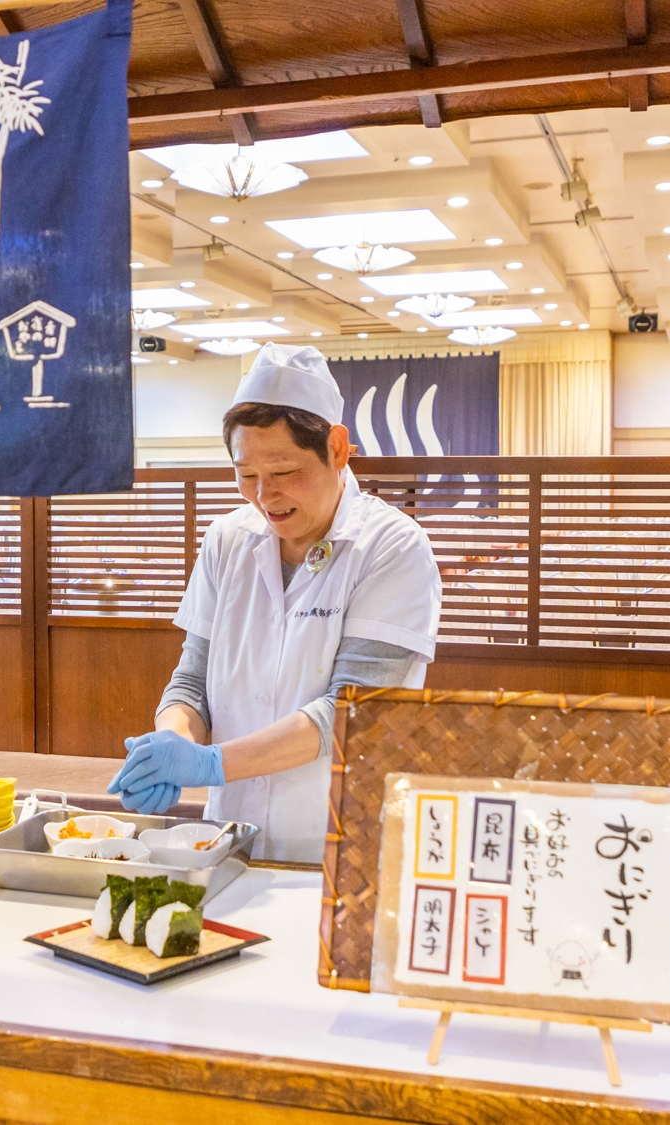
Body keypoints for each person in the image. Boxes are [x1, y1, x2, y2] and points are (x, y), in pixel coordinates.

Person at [108, 343, 442, 863]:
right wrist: (170, 745)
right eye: (246, 475)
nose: (264, 496)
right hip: (229, 837)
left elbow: (352, 711)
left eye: (283, 472)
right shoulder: (227, 539)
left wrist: (210, 763)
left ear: (336, 448)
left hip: (339, 841)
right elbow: (193, 680)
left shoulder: (392, 546)